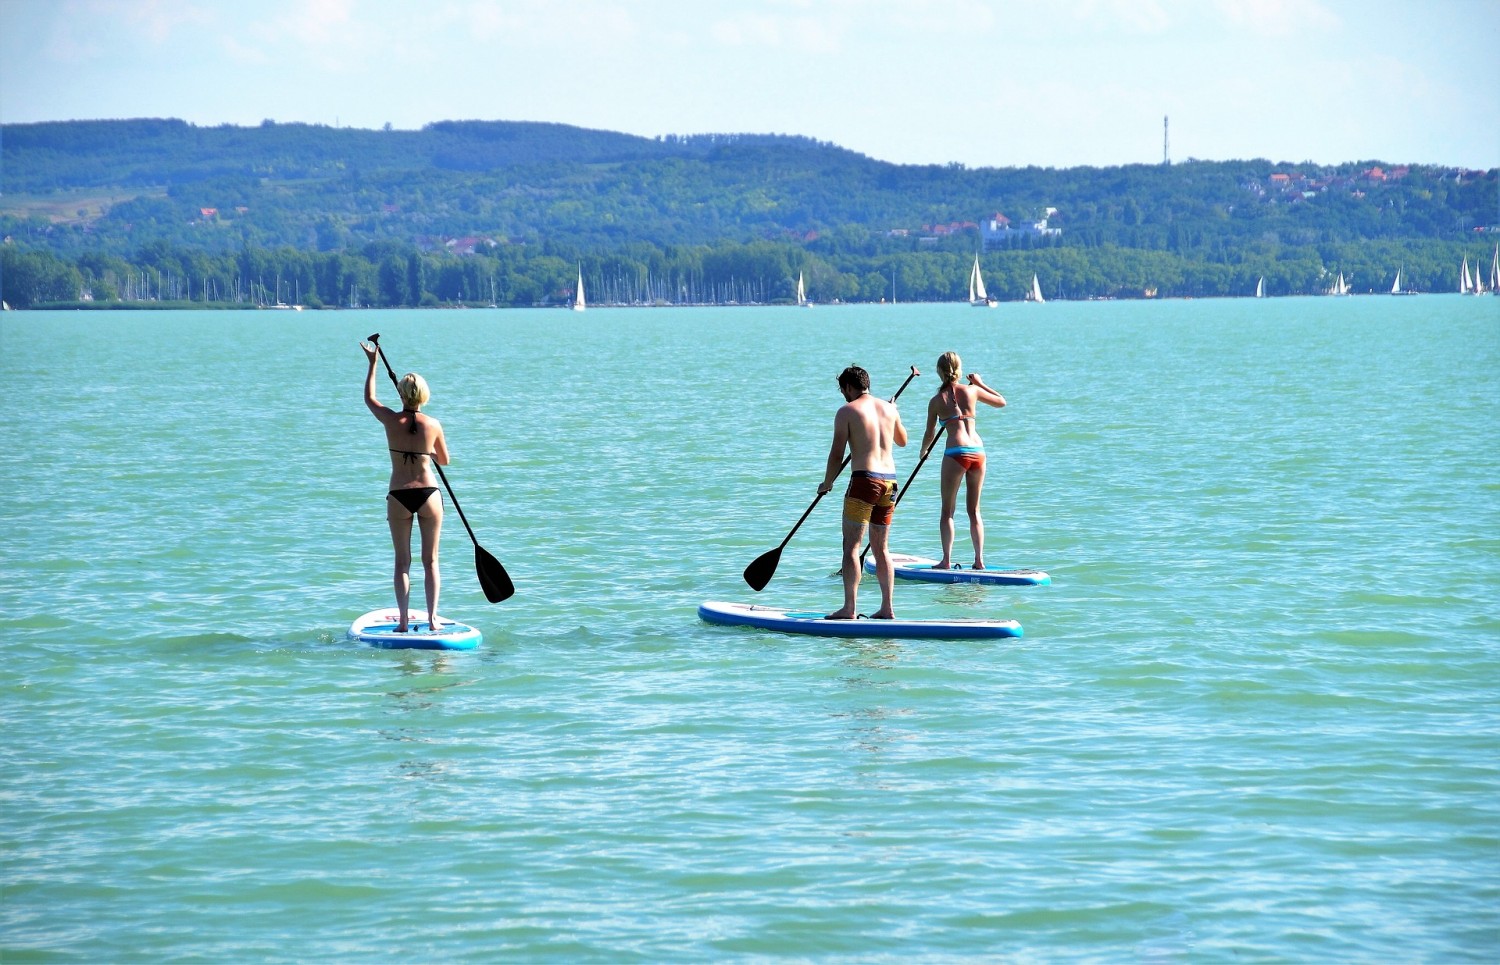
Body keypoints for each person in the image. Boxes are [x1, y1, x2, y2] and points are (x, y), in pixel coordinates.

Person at [362, 341, 450, 632]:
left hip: (399, 495)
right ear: (424, 395)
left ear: (400, 393)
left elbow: (370, 398)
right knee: (431, 560)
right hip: (429, 494)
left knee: (402, 562)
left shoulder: (389, 419)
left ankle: (401, 622)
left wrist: (373, 363)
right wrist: (425, 451)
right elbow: (445, 461)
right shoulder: (433, 424)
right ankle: (432, 620)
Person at [819, 365, 908, 620]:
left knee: (851, 547)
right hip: (890, 483)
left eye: (842, 390)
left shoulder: (846, 411)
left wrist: (827, 482)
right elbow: (902, 441)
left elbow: (837, 454)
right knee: (881, 549)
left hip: (864, 481)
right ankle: (887, 608)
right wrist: (894, 414)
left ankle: (849, 608)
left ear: (848, 387)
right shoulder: (888, 409)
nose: (843, 395)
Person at [921, 351, 1006, 570]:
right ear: (959, 369)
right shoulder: (972, 391)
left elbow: (929, 433)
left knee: (947, 512)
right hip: (978, 451)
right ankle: (979, 560)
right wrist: (980, 383)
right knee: (974, 511)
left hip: (956, 452)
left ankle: (946, 560)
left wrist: (924, 451)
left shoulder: (936, 401)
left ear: (939, 372)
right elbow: (1001, 402)